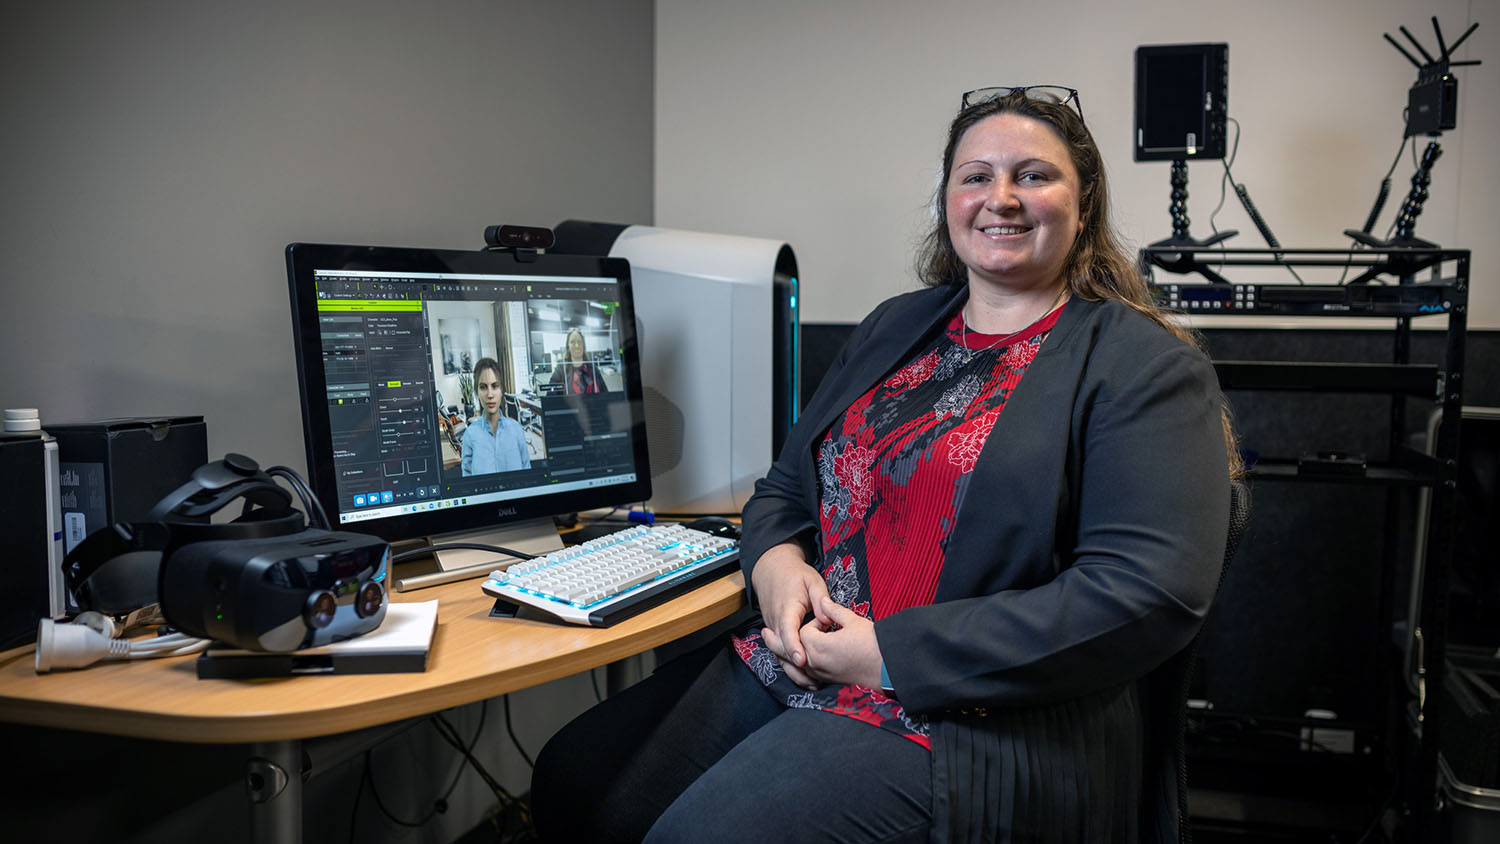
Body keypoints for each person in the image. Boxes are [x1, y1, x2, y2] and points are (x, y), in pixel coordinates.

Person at [530, 86, 1239, 843]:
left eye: (1033, 175)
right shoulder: (896, 327)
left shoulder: (1142, 367)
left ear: (1084, 203)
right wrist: (775, 571)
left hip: (965, 713)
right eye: (975, 176)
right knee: (576, 779)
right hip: (801, 662)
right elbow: (785, 488)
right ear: (947, 200)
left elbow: (1146, 596)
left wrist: (887, 654)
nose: (1000, 198)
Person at [460, 356, 530, 475]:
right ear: (477, 393)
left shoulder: (516, 430)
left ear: (501, 390)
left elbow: (527, 474)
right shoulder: (470, 435)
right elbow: (468, 481)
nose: (490, 394)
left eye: (495, 386)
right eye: (483, 387)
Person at [548, 328, 610, 395]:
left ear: (583, 345)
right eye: (572, 342)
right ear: (568, 346)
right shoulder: (560, 369)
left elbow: (605, 394)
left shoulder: (593, 368)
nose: (577, 346)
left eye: (579, 342)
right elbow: (550, 397)